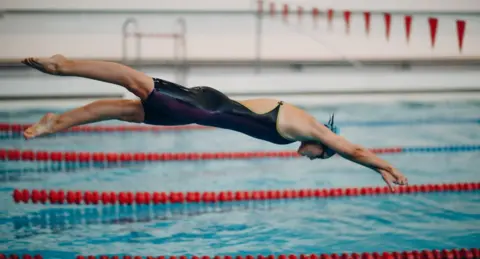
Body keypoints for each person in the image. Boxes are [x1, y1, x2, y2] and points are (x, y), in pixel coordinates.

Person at [22, 54, 408, 191]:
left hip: (199, 110)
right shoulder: (313, 130)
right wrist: (385, 166)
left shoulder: (297, 130)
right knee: (130, 80)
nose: (310, 158)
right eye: (318, 157)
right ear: (325, 145)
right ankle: (63, 65)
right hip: (198, 107)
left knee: (122, 110)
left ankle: (57, 123)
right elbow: (353, 149)